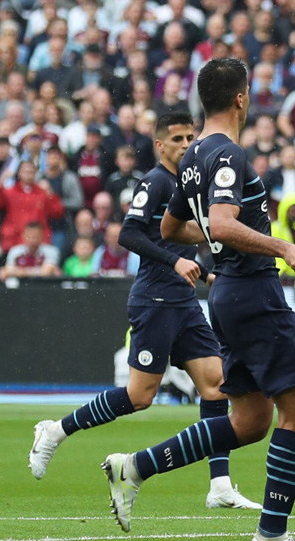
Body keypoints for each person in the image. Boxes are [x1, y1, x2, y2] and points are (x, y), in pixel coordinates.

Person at [103, 59, 295, 541]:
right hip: (253, 292)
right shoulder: (226, 154)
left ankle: (134, 467)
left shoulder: (192, 157)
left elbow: (169, 228)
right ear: (241, 99)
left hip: (226, 293)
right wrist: (284, 248)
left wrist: (217, 235)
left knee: (250, 420)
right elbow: (224, 223)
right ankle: (271, 538)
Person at [28, 112, 260, 512]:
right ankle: (55, 430)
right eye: (177, 139)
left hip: (183, 301)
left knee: (216, 386)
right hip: (154, 300)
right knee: (140, 396)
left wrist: (201, 270)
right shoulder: (154, 182)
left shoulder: (191, 183)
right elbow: (128, 234)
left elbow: (176, 240)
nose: (187, 144)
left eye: (191, 136)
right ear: (160, 146)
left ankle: (219, 484)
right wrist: (174, 263)